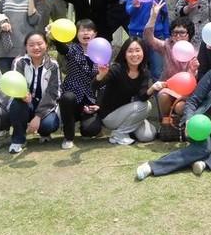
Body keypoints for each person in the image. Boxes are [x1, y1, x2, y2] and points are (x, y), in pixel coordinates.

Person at [136, 40, 211, 180]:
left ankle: (204, 163)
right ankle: (153, 166)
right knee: (203, 148)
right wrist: (189, 120)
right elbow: (193, 101)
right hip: (200, 124)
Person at [92, 38, 157, 145]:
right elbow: (95, 86)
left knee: (148, 136)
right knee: (146, 105)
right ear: (124, 54)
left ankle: (127, 130)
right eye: (130, 51)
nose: (134, 54)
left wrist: (153, 88)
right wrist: (101, 75)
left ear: (143, 53)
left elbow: (142, 97)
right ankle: (119, 134)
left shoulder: (144, 72)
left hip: (129, 113)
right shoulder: (116, 69)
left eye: (137, 50)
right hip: (110, 116)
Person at [144, 1, 199, 118]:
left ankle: (181, 124)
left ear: (189, 34)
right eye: (174, 33)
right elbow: (149, 39)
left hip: (185, 92)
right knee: (163, 96)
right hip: (167, 86)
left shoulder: (194, 53)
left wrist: (193, 71)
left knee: (180, 107)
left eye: (182, 33)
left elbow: (190, 81)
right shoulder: (167, 46)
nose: (178, 36)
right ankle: (165, 122)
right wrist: (153, 17)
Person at [8, 32, 61, 154]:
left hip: (45, 104)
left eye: (39, 44)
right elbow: (15, 83)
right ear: (26, 47)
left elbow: (53, 92)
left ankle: (44, 132)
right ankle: (18, 139)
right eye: (31, 45)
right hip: (25, 103)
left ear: (46, 45)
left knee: (49, 124)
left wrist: (38, 116)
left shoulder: (53, 65)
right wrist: (22, 95)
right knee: (17, 105)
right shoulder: (19, 62)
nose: (36, 48)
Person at [55, 19, 103, 149]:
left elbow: (102, 81)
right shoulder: (72, 49)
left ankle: (86, 125)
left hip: (90, 97)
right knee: (67, 98)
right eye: (82, 30)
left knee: (91, 130)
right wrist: (54, 37)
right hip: (72, 94)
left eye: (89, 30)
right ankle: (68, 137)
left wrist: (98, 103)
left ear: (95, 34)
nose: (85, 33)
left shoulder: (100, 51)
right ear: (76, 34)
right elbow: (62, 48)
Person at [125, 0, 170, 80]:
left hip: (157, 35)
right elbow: (128, 11)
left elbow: (164, 13)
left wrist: (167, 35)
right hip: (137, 36)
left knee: (158, 71)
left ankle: (157, 92)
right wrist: (135, 6)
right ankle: (139, 93)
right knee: (137, 71)